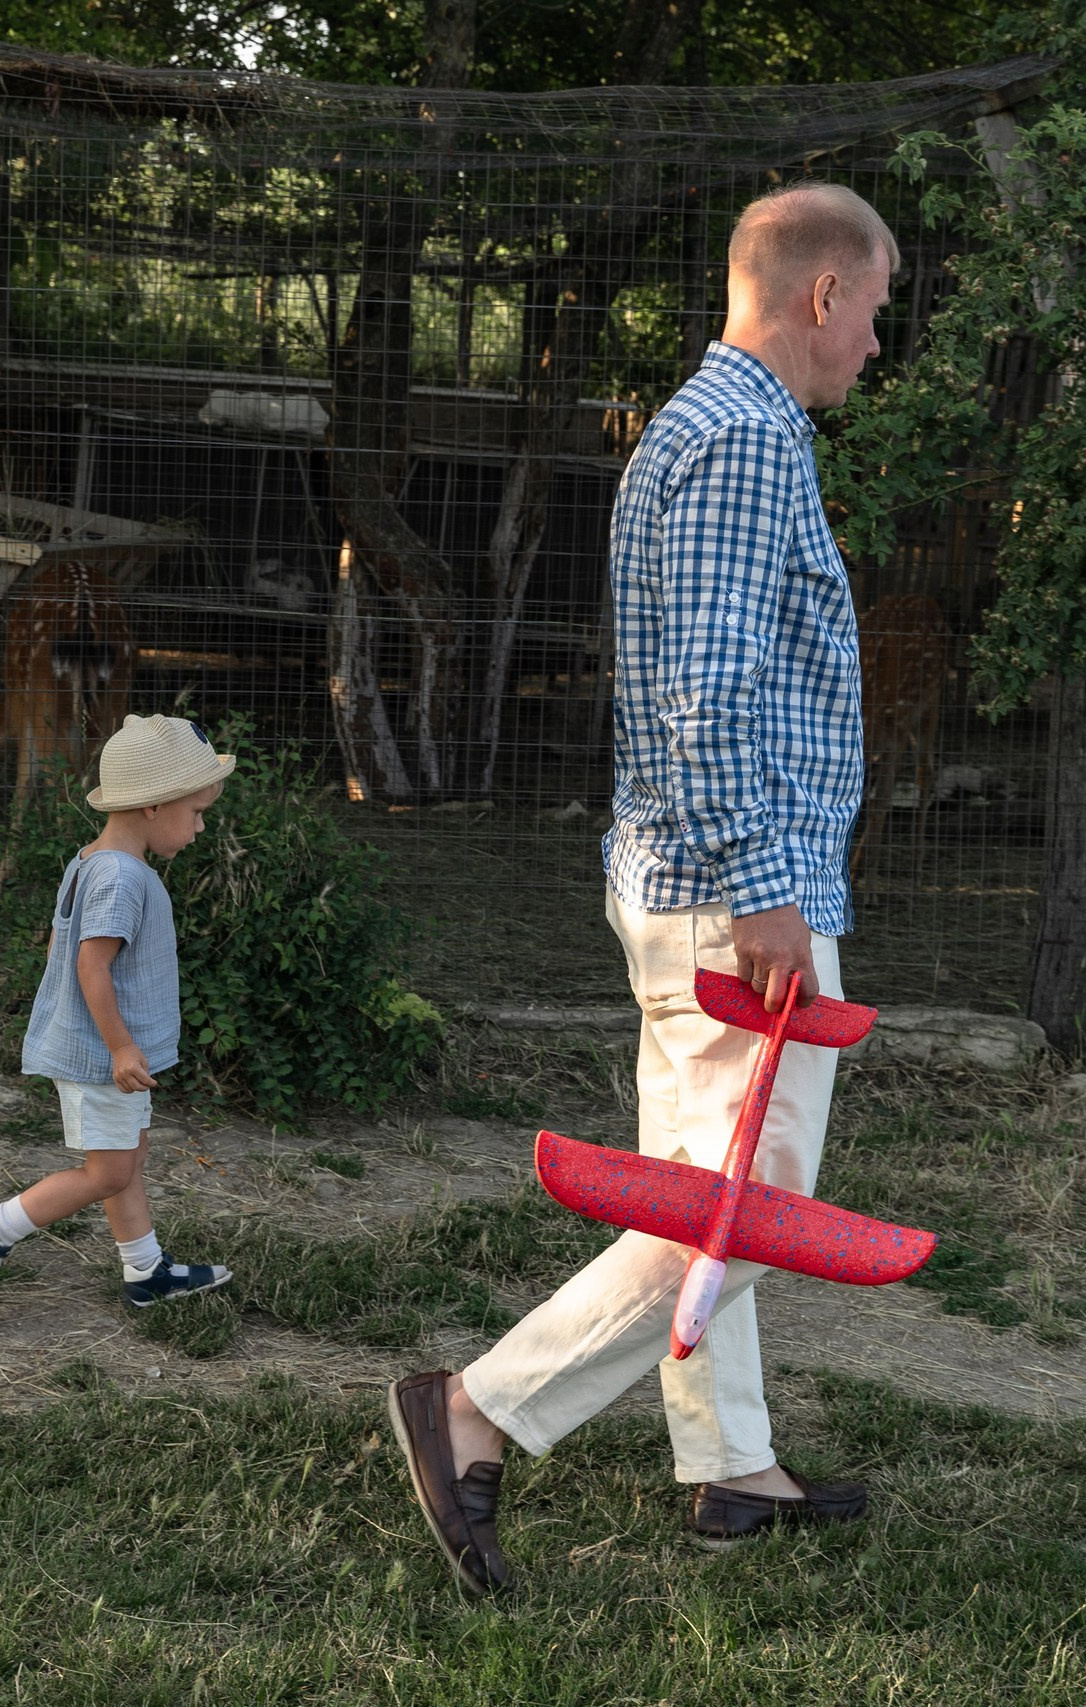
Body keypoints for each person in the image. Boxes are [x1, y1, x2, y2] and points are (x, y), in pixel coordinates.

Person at [387, 182, 899, 1594]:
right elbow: (708, 691)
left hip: (682, 878)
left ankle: (731, 1463)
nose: (876, 343)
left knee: (694, 1187)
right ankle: (476, 1407)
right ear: (820, 294)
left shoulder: (704, 421)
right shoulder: (743, 440)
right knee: (747, 1203)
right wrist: (767, 889)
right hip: (735, 892)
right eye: (874, 310)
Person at [0, 714, 239, 1322]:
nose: (200, 826)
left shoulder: (93, 860)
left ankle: (146, 1271)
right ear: (154, 806)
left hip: (108, 1053)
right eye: (196, 812)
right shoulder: (121, 877)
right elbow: (91, 966)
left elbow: (60, 947)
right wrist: (120, 1047)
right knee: (107, 1172)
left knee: (126, 1159)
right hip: (103, 1057)